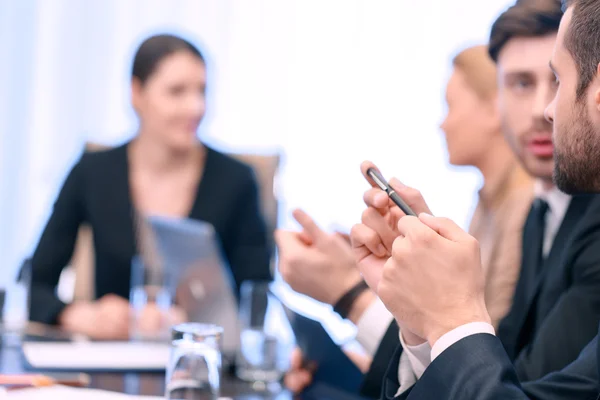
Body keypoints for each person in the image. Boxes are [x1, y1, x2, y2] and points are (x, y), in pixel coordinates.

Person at [351, 0, 600, 398]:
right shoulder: (541, 213)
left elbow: (517, 383)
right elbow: (508, 374)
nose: (543, 110)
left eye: (557, 81)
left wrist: (441, 314)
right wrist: (420, 318)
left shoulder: (569, 211)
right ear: (496, 95)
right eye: (520, 83)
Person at [278, 43, 533, 396]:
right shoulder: (487, 203)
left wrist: (350, 291)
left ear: (492, 110)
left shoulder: (525, 209)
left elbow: (486, 341)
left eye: (450, 106)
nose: (442, 123)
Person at [28, 34, 272, 339]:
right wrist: (76, 314)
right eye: (176, 91)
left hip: (202, 364)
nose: (196, 106)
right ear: (136, 93)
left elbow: (257, 299)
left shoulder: (237, 181)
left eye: (202, 91)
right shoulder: (93, 172)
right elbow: (34, 285)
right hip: (109, 363)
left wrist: (194, 317)